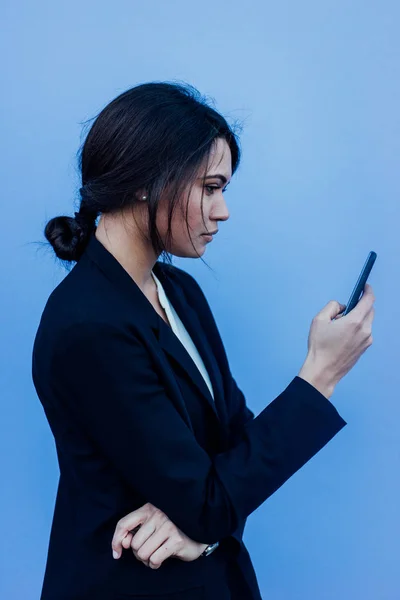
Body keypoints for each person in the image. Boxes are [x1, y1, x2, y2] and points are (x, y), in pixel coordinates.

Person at [32, 81, 375, 600]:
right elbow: (214, 498)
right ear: (148, 180)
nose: (223, 211)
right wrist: (319, 375)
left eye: (224, 190)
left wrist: (203, 530)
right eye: (210, 188)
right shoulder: (88, 327)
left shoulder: (179, 291)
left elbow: (233, 449)